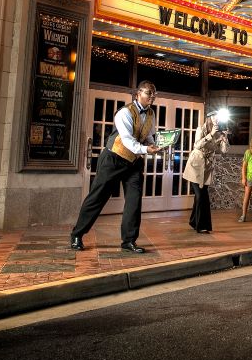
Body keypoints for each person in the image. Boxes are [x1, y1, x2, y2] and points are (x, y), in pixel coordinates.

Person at [69, 81, 161, 253]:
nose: (152, 96)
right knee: (98, 197)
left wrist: (155, 145)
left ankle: (128, 241)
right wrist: (145, 149)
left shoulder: (151, 114)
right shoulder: (124, 112)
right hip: (114, 158)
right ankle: (77, 234)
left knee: (134, 201)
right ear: (137, 94)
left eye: (154, 93)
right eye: (149, 93)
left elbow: (148, 135)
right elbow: (127, 140)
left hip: (133, 162)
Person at [182, 111, 229, 233]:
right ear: (209, 118)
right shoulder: (200, 129)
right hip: (196, 165)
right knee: (201, 196)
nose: (217, 119)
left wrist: (224, 138)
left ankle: (194, 221)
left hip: (207, 168)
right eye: (214, 117)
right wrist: (211, 134)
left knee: (201, 196)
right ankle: (201, 226)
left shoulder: (219, 133)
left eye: (218, 117)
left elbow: (224, 151)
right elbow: (197, 145)